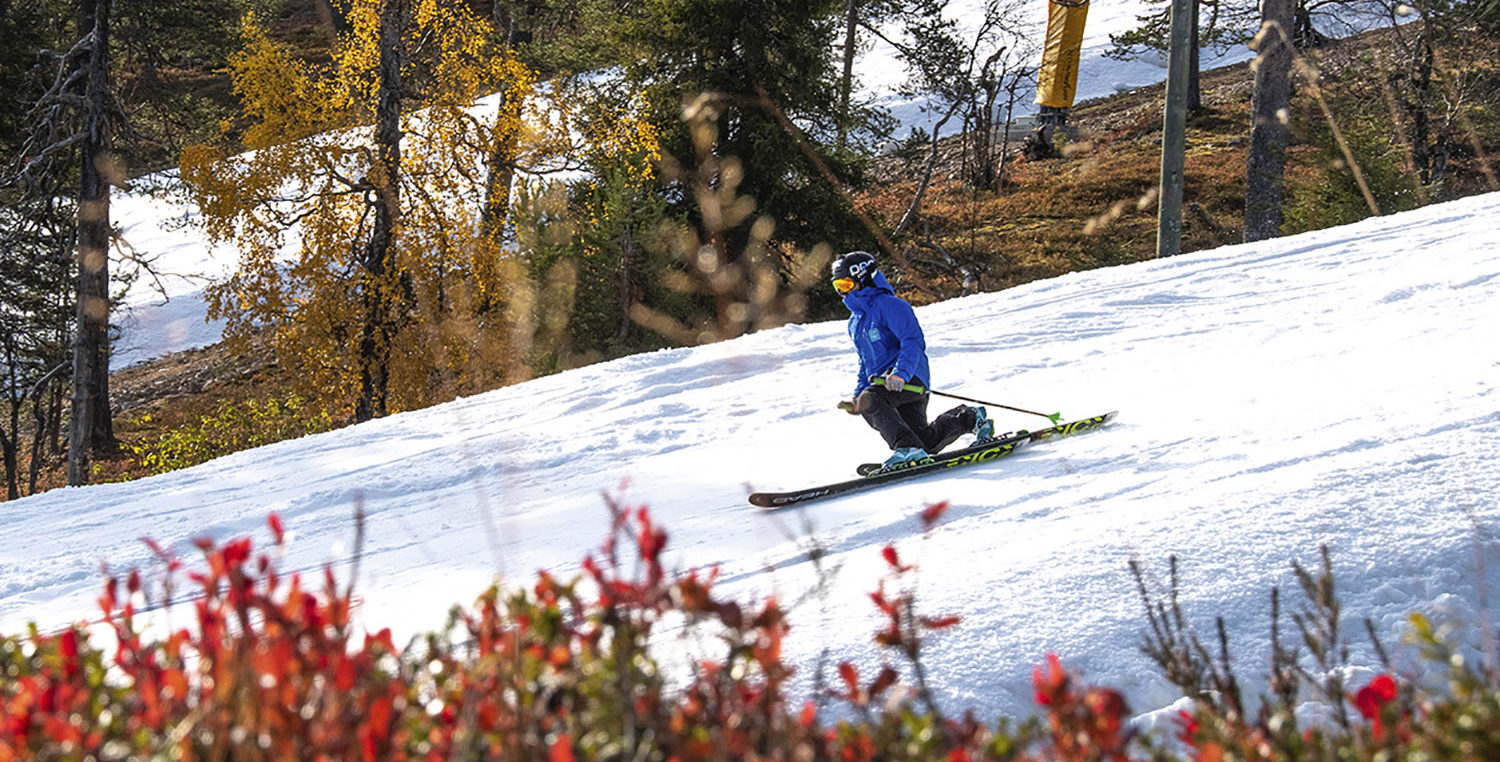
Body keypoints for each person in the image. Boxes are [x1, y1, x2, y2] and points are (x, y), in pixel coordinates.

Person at [831, 251, 994, 470]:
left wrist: (901, 374)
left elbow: (912, 341)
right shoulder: (855, 322)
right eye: (838, 287)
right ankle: (970, 418)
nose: (843, 292)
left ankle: (906, 449)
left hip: (909, 379)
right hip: (886, 386)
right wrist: (856, 394)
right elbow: (865, 362)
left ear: (864, 277)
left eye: (846, 284)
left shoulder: (891, 305)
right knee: (925, 441)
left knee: (870, 400)